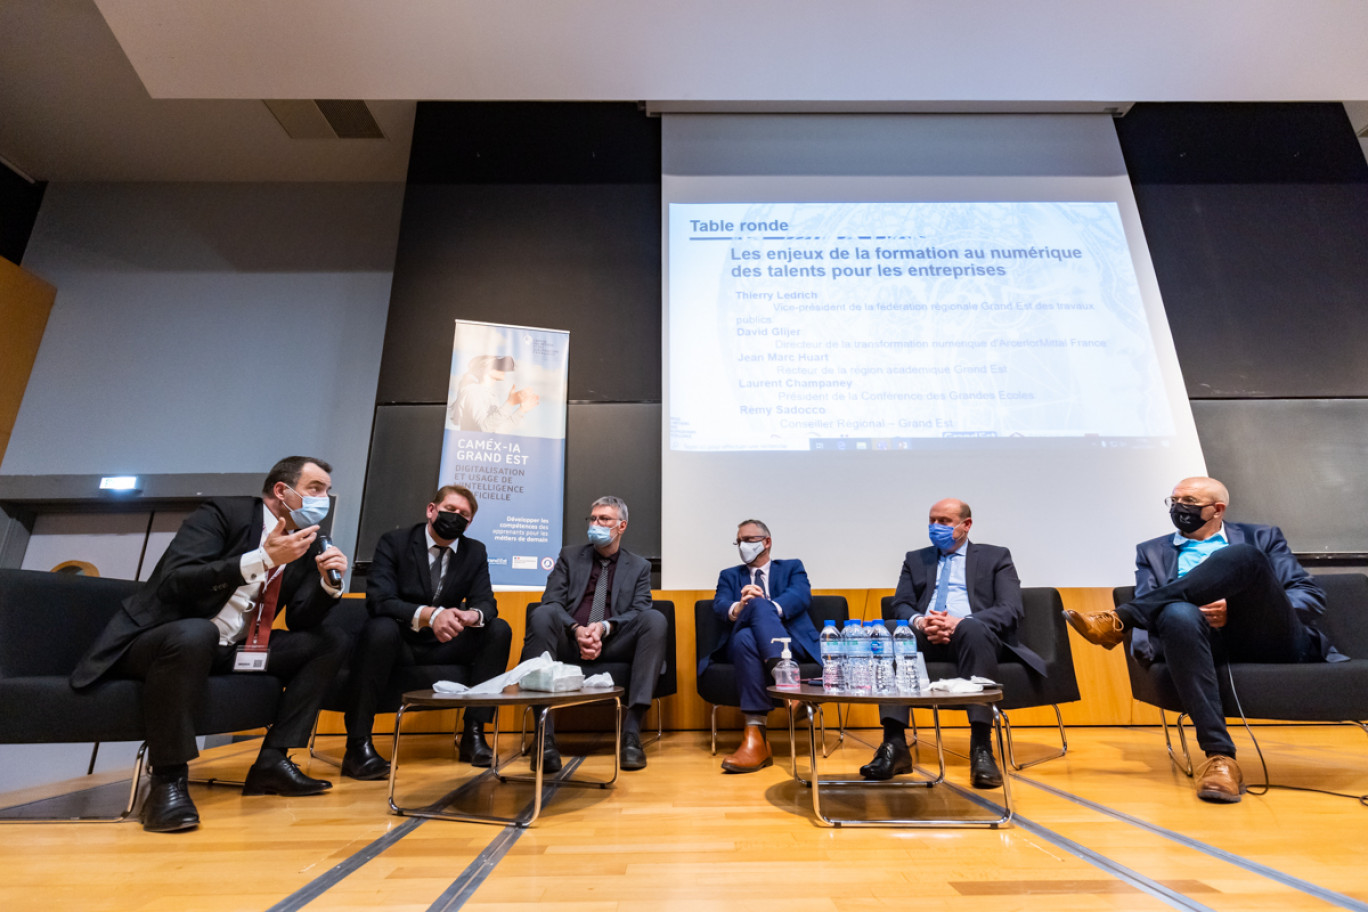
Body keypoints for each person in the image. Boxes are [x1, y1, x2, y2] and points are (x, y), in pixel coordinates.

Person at [70, 456, 351, 833]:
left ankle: (272, 761)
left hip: (233, 649)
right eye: (316, 489)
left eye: (327, 492)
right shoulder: (225, 512)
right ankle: (168, 780)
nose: (324, 498)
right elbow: (176, 580)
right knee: (196, 633)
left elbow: (302, 619)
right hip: (162, 639)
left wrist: (327, 585)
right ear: (282, 491)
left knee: (329, 641)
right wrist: (261, 559)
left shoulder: (305, 543)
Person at [1065, 476, 1342, 804]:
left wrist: (1234, 609)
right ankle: (1220, 759)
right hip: (1195, 640)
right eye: (1174, 501)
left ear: (1217, 510)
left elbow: (1308, 595)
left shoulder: (1261, 537)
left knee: (1243, 557)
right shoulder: (1153, 551)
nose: (1179, 508)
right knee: (1176, 613)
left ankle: (1119, 620)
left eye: (1190, 503)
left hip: (1270, 636)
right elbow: (1151, 600)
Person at [861, 498, 1044, 789]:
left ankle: (982, 747)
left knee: (972, 629)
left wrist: (959, 622)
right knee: (894, 631)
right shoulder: (916, 559)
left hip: (974, 635)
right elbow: (902, 605)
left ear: (966, 525)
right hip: (927, 633)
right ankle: (894, 745)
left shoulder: (995, 557)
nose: (936, 527)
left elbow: (1010, 608)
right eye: (932, 521)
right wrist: (922, 622)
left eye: (944, 522)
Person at [342, 484, 514, 780]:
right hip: (400, 639)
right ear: (431, 510)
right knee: (379, 629)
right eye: (450, 509)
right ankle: (358, 746)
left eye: (464, 514)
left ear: (470, 523)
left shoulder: (475, 551)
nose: (456, 516)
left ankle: (473, 734)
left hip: (446, 642)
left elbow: (486, 601)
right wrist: (431, 615)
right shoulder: (394, 542)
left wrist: (472, 615)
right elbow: (380, 600)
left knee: (497, 629)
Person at [519, 496, 666, 772]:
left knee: (654, 619)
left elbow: (639, 608)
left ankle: (632, 733)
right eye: (593, 519)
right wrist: (577, 630)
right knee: (541, 614)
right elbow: (551, 600)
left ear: (621, 526)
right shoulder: (569, 556)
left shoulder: (639, 567)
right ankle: (545, 738)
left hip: (615, 641)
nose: (595, 524)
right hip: (569, 640)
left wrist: (604, 627)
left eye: (604, 519)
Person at [700, 520, 817, 773]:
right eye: (739, 540)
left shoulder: (791, 567)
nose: (744, 545)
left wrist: (765, 606)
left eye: (750, 540)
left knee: (748, 637)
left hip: (791, 641)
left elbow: (800, 595)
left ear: (767, 542)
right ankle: (787, 682)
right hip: (735, 641)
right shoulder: (729, 575)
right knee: (750, 615)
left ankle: (756, 739)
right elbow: (720, 604)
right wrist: (740, 607)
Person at [450, 354, 540, 432]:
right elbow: (484, 429)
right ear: (483, 369)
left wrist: (521, 410)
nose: (503, 369)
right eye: (498, 365)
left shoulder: (490, 396)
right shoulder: (473, 392)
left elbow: (497, 432)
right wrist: (510, 403)